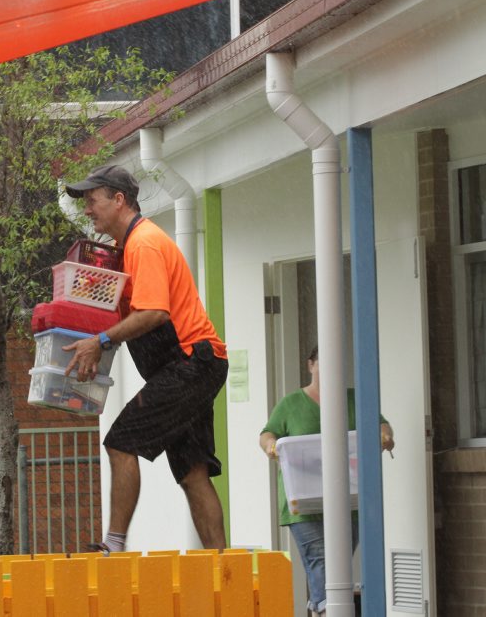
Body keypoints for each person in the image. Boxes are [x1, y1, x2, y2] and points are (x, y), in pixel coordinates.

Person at [62, 164, 229, 553]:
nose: (87, 210)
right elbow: (126, 314)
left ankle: (114, 546)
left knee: (121, 442)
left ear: (119, 200)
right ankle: (223, 567)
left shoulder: (144, 244)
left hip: (191, 362)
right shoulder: (124, 250)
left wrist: (100, 341)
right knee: (193, 473)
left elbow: (154, 314)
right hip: (193, 365)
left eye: (92, 201)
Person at [259, 345, 394, 617]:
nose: (331, 369)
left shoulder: (357, 400)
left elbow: (382, 425)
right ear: (310, 365)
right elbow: (267, 434)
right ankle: (327, 611)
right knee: (321, 560)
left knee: (336, 565)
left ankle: (319, 608)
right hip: (303, 503)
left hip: (349, 499)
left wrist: (385, 435)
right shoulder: (290, 404)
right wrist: (271, 446)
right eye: (323, 363)